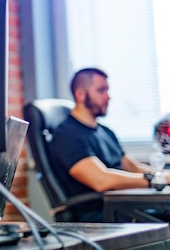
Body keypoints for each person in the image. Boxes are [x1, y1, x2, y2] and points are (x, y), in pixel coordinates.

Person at [50, 67, 170, 222]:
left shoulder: (105, 132)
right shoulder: (67, 135)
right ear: (80, 94)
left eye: (107, 90)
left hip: (124, 206)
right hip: (100, 215)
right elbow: (102, 180)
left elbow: (132, 167)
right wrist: (156, 181)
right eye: (101, 90)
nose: (108, 97)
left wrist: (162, 175)